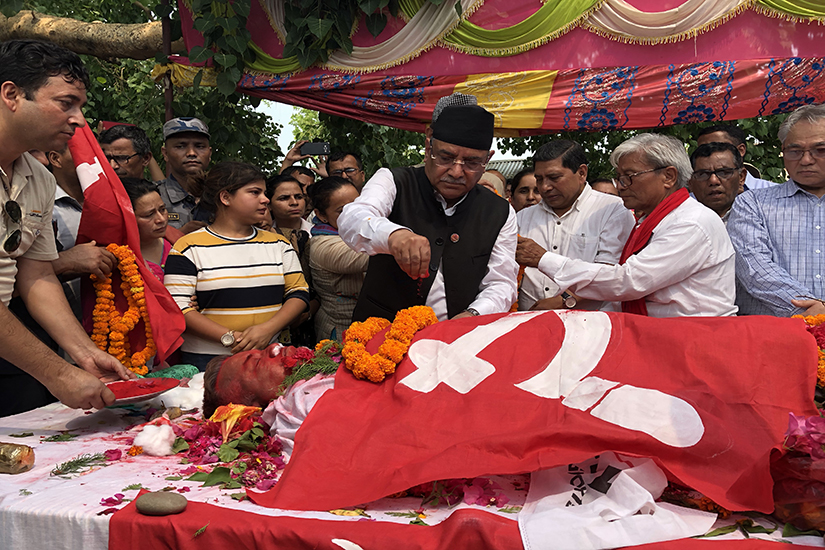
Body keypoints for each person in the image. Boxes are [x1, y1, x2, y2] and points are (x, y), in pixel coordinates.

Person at [0, 39, 134, 416]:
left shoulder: (40, 179)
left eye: (80, 106)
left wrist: (86, 354)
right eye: (66, 103)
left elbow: (37, 273)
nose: (79, 120)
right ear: (12, 94)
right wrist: (56, 372)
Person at [516, 133, 737, 317]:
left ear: (668, 176)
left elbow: (627, 281)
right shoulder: (653, 220)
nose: (621, 186)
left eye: (630, 176)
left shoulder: (691, 223)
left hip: (690, 340)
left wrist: (544, 259)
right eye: (619, 177)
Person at [338, 103, 518, 321]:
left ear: (487, 160)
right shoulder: (394, 181)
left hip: (456, 338)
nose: (456, 171)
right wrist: (394, 236)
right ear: (428, 148)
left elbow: (502, 282)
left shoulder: (499, 211)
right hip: (381, 333)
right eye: (445, 157)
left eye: (472, 162)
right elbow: (352, 218)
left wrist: (473, 314)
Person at [163, 161, 309, 371]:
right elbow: (179, 306)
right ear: (225, 197)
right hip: (207, 361)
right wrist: (229, 338)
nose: (265, 200)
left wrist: (267, 330)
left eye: (265, 193)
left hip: (269, 355)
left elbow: (299, 292)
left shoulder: (279, 244)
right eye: (254, 192)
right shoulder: (187, 247)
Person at [727, 103, 825, 317]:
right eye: (795, 151)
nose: (806, 160)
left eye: (820, 150)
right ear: (783, 152)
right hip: (776, 335)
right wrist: (814, 311)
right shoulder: (752, 203)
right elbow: (753, 267)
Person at [517, 140, 634, 311]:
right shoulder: (522, 217)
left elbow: (612, 275)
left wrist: (565, 301)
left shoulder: (612, 210)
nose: (545, 187)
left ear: (581, 173)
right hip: (529, 323)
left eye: (554, 178)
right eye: (539, 179)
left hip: (590, 326)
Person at [307, 177, 368, 340]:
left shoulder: (356, 233)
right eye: (342, 210)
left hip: (364, 327)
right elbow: (370, 257)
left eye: (358, 205)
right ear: (321, 215)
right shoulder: (323, 245)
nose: (355, 214)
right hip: (340, 332)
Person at [157, 116, 212, 234]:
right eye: (180, 146)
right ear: (165, 153)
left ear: (209, 153)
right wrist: (178, 235)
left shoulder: (227, 195)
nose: (191, 153)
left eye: (199, 146)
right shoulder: (151, 195)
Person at [120, 178, 171, 281]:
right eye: (149, 215)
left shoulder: (176, 242)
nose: (161, 219)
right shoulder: (119, 259)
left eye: (162, 210)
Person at [696, 124, 775, 190]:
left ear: (741, 150)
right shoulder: (692, 201)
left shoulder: (773, 192)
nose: (710, 155)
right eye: (702, 150)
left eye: (719, 148)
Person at [689, 142, 746, 223]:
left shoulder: (759, 215)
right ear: (690, 183)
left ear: (741, 177)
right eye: (703, 174)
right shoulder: (678, 221)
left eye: (723, 172)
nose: (713, 181)